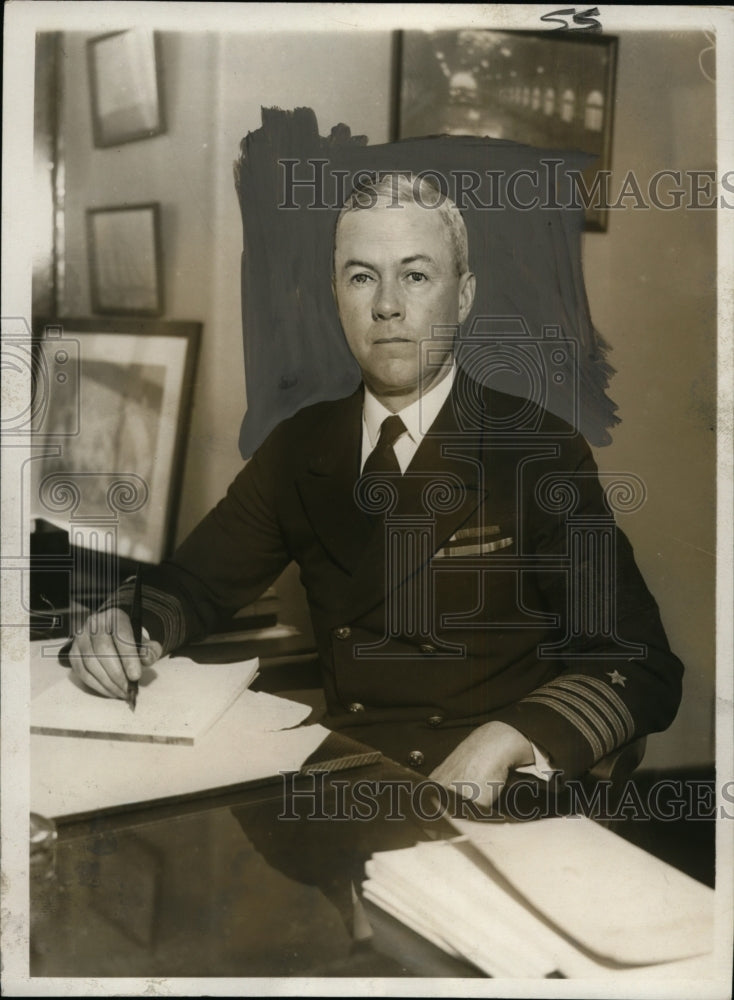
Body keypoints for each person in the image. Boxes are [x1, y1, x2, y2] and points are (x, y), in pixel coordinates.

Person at [69, 173, 683, 807]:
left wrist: (509, 738)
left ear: (464, 296)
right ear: (337, 295)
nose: (386, 305)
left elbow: (639, 662)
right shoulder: (300, 447)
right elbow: (193, 586)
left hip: (487, 793)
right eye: (362, 277)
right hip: (347, 782)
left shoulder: (538, 451)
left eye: (416, 276)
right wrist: (123, 623)